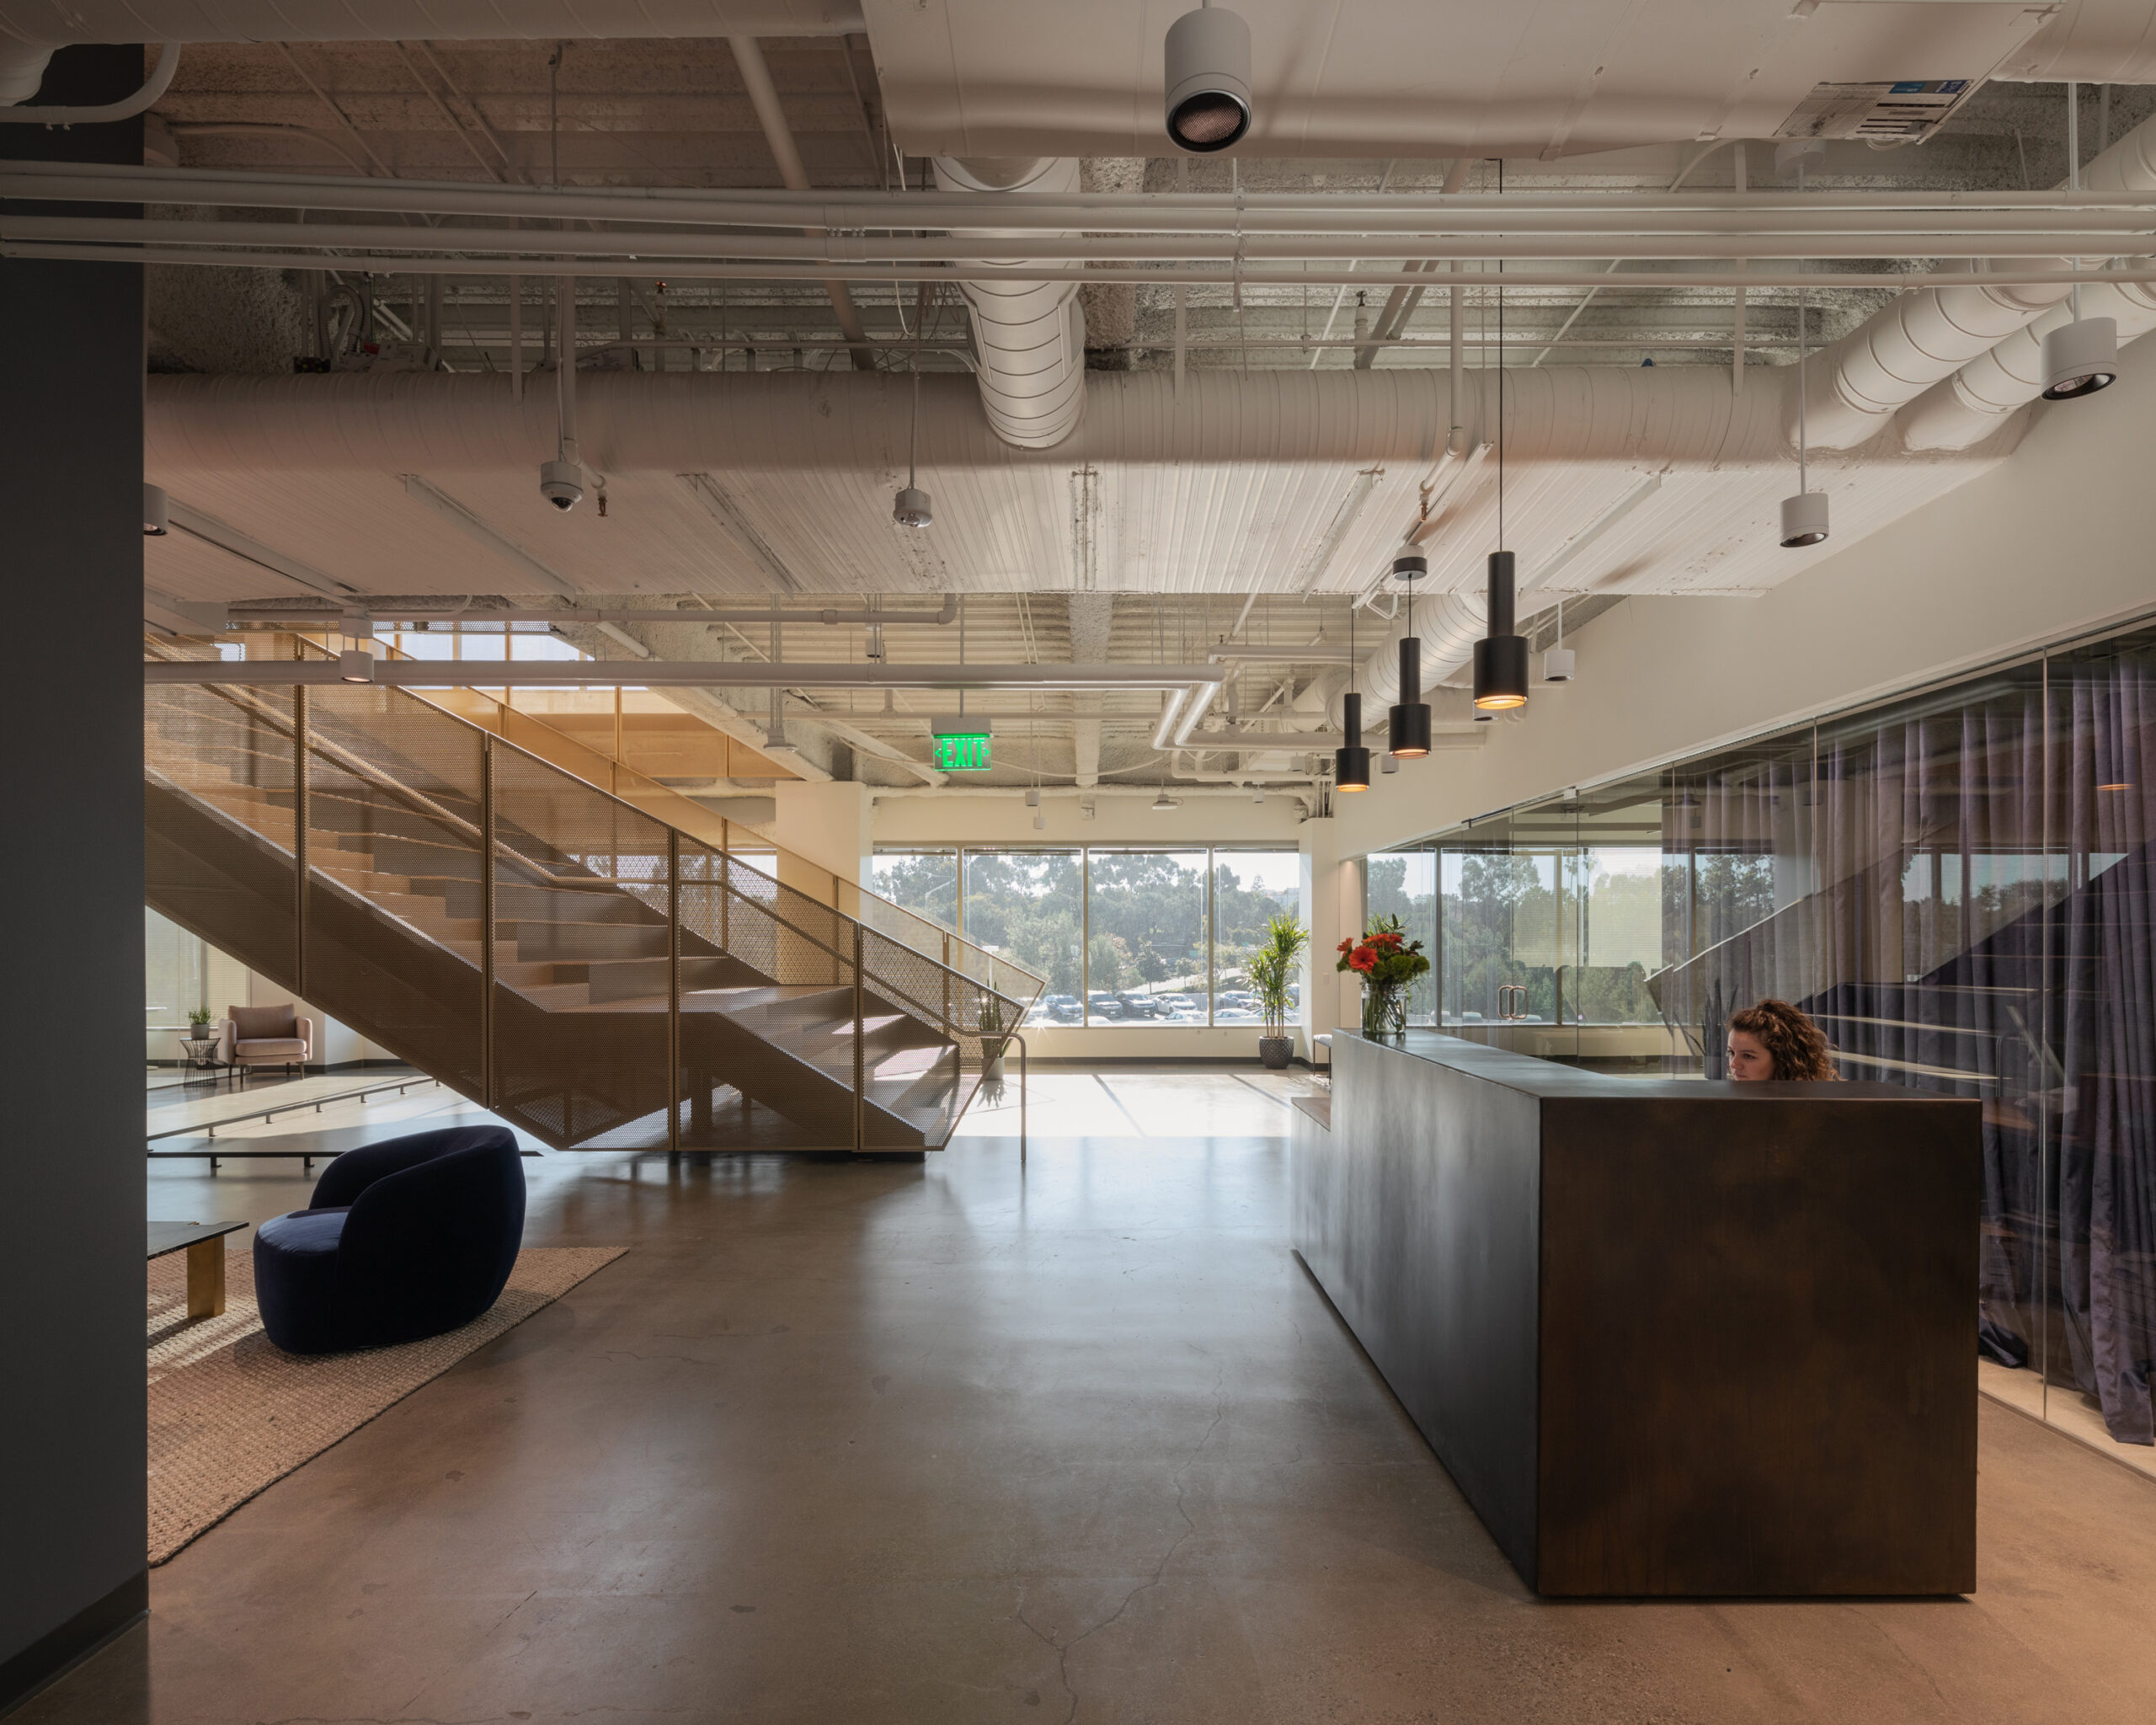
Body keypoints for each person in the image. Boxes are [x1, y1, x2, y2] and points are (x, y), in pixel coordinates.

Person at [1724, 998, 1838, 1081]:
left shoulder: (1807, 1110)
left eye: (1748, 1056)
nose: (1733, 1064)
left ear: (1782, 1060)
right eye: (1731, 1053)